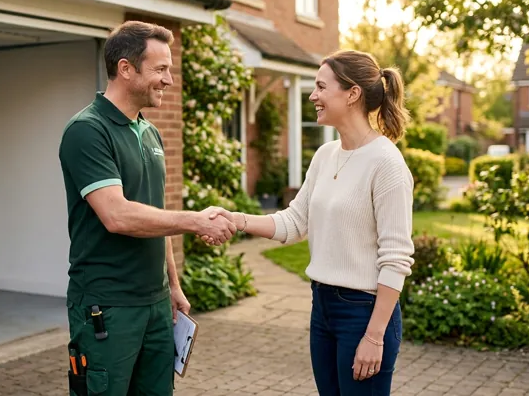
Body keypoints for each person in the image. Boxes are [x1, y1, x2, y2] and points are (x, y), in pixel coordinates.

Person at [208, 50, 415, 395]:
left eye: (321, 87)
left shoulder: (387, 164)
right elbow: (294, 222)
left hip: (363, 314)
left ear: (352, 94)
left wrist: (374, 336)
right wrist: (236, 219)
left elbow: (396, 259)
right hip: (323, 309)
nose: (312, 96)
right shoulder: (325, 155)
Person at [58, 20, 237, 396]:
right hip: (107, 307)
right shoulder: (87, 131)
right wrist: (194, 220)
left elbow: (155, 213)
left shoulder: (150, 132)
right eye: (160, 69)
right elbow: (117, 215)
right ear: (126, 69)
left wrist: (171, 284)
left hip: (156, 305)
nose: (169, 80)